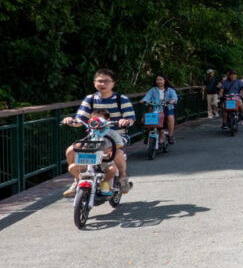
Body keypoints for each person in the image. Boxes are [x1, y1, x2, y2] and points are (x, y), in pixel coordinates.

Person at [62, 68, 135, 196]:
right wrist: (70, 121)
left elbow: (130, 119)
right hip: (94, 136)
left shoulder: (121, 99)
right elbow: (80, 119)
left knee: (116, 152)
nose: (103, 84)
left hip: (117, 135)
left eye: (106, 81)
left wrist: (125, 121)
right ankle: (77, 180)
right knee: (71, 150)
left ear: (113, 83)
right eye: (100, 81)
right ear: (94, 83)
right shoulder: (90, 99)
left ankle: (123, 177)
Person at [67, 108, 123, 197]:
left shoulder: (111, 133)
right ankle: (81, 181)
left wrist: (109, 149)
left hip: (104, 159)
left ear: (107, 121)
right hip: (90, 159)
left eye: (100, 120)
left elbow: (120, 144)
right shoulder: (92, 133)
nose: (97, 123)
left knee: (112, 169)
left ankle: (104, 182)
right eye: (94, 120)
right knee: (72, 167)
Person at [141, 73, 178, 144]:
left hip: (167, 108)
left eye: (161, 80)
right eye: (157, 80)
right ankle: (148, 134)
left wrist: (172, 101)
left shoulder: (170, 90)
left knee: (170, 117)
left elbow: (174, 97)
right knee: (144, 119)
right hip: (155, 109)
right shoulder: (153, 90)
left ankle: (170, 136)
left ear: (164, 81)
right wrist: (143, 100)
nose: (159, 81)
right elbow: (147, 96)